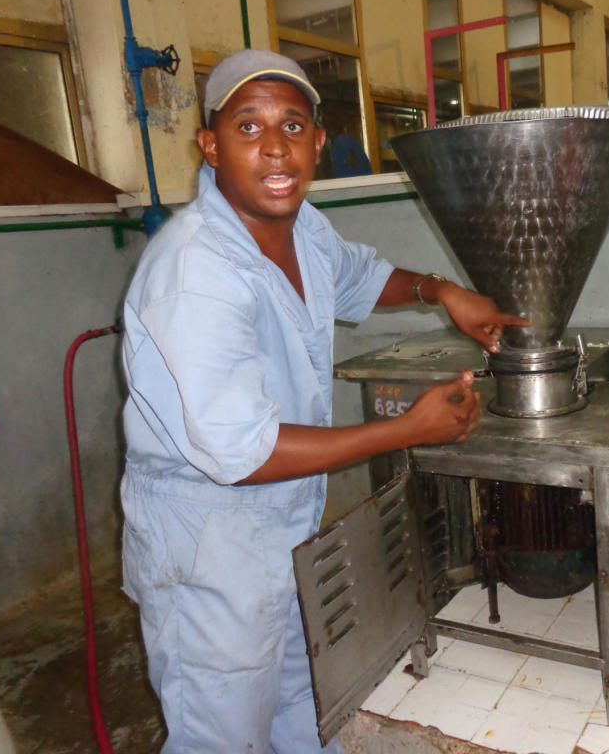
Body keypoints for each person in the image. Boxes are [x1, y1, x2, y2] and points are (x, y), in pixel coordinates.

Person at [119, 49, 527, 754]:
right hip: (208, 541)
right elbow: (243, 454)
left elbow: (361, 279)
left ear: (316, 138)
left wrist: (440, 292)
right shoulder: (197, 272)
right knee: (223, 735)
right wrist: (407, 428)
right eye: (248, 127)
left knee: (305, 708)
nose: (275, 147)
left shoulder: (299, 227)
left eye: (292, 125)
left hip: (282, 525)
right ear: (210, 146)